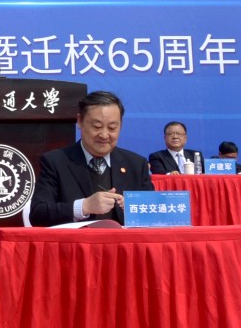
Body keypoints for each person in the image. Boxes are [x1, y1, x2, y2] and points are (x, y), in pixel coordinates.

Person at [27, 91, 153, 227]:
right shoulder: (55, 161)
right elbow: (38, 214)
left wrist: (133, 209)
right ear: (80, 121)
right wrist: (84, 206)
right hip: (76, 240)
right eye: (97, 127)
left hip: (124, 241)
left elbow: (156, 215)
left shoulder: (136, 164)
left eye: (112, 128)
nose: (104, 135)